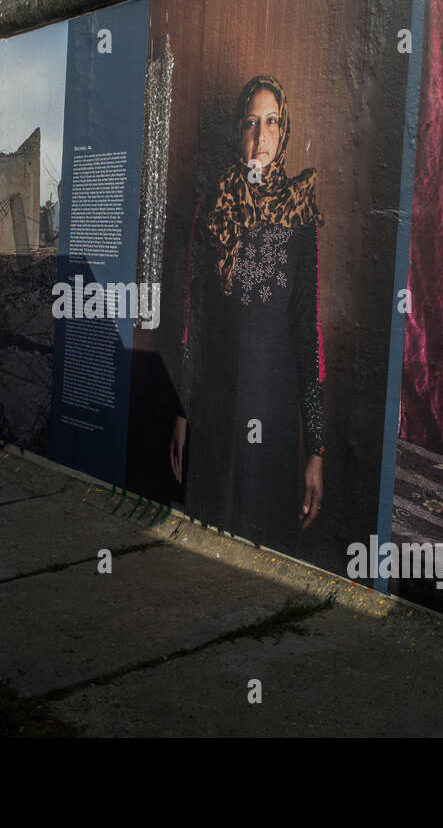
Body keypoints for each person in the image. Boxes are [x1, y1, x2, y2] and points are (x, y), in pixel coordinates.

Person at [169, 75, 326, 552]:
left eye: (273, 122)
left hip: (275, 420)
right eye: (251, 123)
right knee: (208, 545)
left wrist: (316, 451)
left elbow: (309, 336)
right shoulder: (212, 206)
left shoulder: (300, 216)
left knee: (263, 559)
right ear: (239, 131)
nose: (261, 137)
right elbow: (192, 321)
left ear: (286, 131)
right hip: (217, 411)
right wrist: (181, 414)